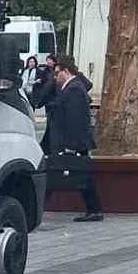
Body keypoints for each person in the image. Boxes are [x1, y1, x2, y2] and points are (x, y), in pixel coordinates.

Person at [47, 54, 103, 222]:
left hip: (76, 142)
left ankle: (95, 210)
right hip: (74, 141)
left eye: (57, 73)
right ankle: (94, 209)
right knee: (84, 176)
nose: (55, 77)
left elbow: (76, 120)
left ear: (66, 71)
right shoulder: (74, 87)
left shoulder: (74, 89)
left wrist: (71, 145)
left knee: (83, 175)